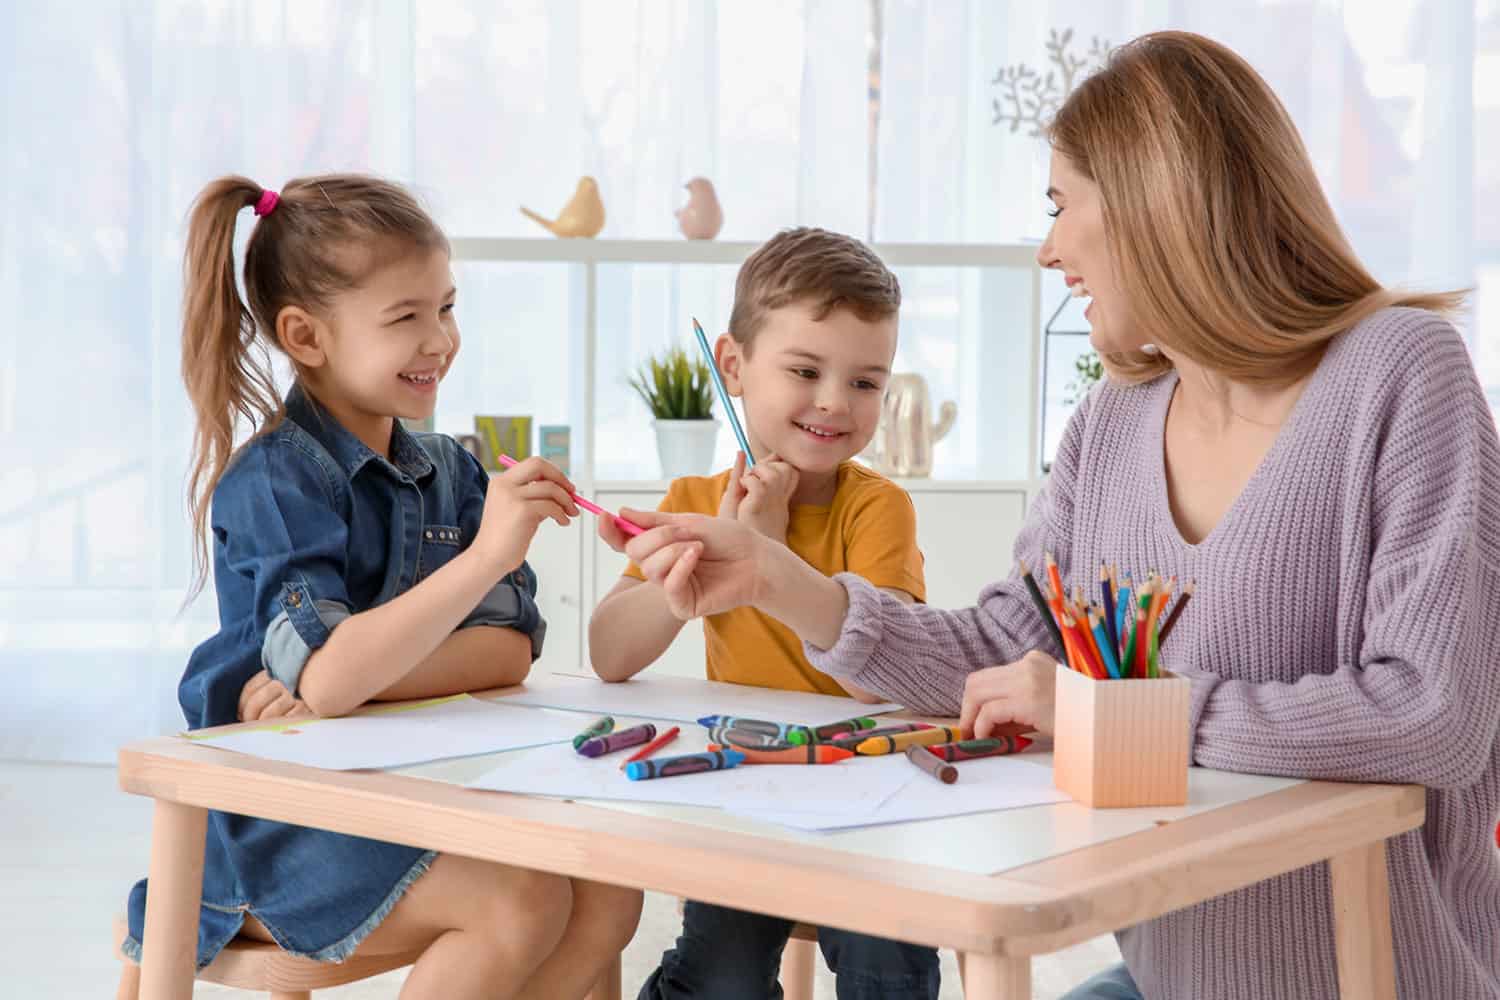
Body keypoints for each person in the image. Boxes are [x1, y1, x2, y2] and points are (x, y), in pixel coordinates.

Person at [615, 31, 1500, 1000]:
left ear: (1154, 201)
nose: (1048, 250)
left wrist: (1103, 715)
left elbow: (1431, 715)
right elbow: (1004, 650)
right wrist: (781, 582)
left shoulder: (1399, 371)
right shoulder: (1113, 420)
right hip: (1164, 977)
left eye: (1059, 205)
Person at [121, 174, 641, 1000]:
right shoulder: (276, 481)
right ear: (306, 336)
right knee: (521, 900)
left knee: (611, 890)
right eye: (406, 318)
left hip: (406, 794)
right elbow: (335, 674)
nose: (440, 339)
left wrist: (350, 684)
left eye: (447, 307)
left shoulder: (452, 471)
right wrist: (481, 561)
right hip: (281, 829)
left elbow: (507, 653)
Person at [592, 227, 941, 998]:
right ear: (733, 367)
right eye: (806, 371)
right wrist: (684, 578)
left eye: (865, 382)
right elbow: (609, 654)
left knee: (891, 964)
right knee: (721, 978)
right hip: (745, 786)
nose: (834, 402)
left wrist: (769, 558)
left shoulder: (877, 507)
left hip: (867, 788)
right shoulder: (692, 500)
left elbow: (882, 680)